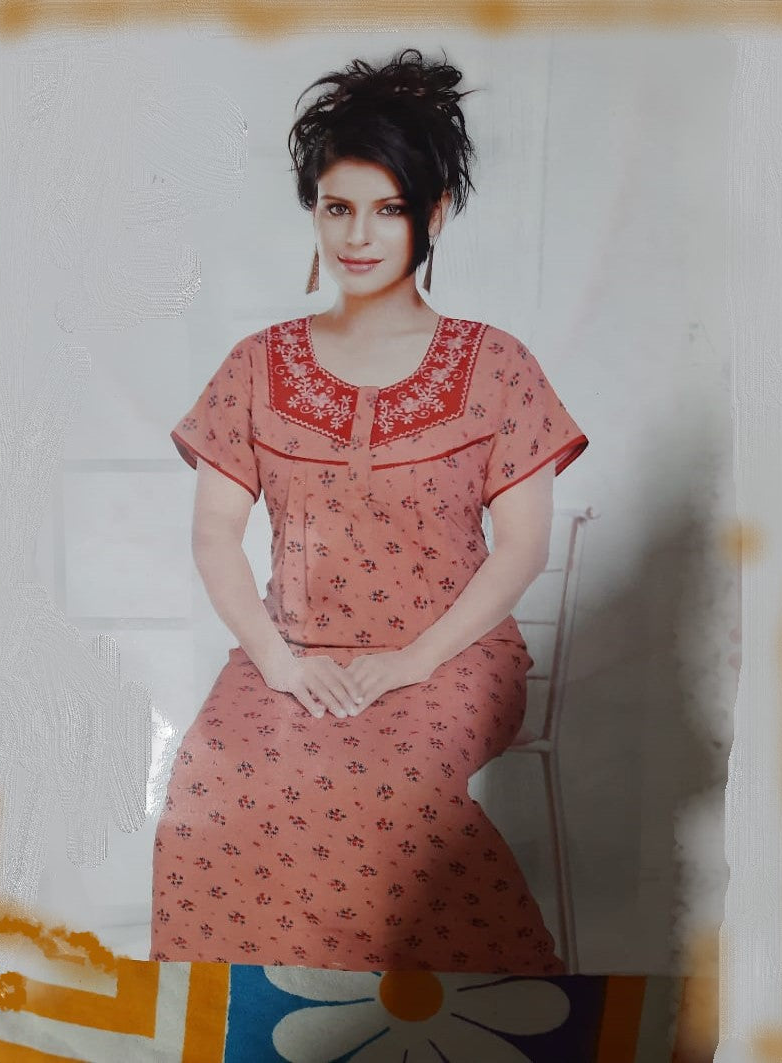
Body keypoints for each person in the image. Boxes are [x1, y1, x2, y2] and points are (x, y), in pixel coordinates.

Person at [150, 47, 589, 974]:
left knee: (373, 779)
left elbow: (520, 548)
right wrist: (277, 658)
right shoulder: (257, 364)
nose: (358, 235)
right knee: (211, 784)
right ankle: (258, 1022)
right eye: (337, 207)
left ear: (431, 216)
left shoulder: (494, 363)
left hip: (453, 652)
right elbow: (213, 533)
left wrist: (406, 665)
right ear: (313, 210)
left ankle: (488, 1017)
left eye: (388, 210)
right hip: (293, 645)